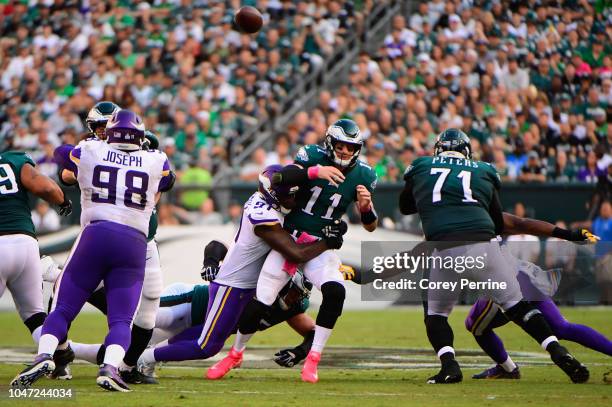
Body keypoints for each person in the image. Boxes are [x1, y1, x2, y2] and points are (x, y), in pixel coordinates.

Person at [399, 128, 589, 384]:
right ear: (467, 153)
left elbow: (405, 205)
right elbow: (499, 221)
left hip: (444, 248)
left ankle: (450, 366)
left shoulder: (422, 166)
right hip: (485, 246)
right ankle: (556, 349)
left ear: (437, 150)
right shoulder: (484, 170)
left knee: (435, 314)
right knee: (518, 308)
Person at [11, 109, 174, 392]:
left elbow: (62, 154)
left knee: (63, 307)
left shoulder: (90, 149)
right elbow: (168, 179)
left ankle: (45, 355)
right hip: (134, 243)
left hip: (95, 235)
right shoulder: (155, 159)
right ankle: (110, 368)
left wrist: (98, 143)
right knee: (122, 319)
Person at [136, 165, 347, 376]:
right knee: (200, 345)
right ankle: (138, 359)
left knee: (196, 344)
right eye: (290, 195)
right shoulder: (263, 214)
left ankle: (137, 360)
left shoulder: (288, 301)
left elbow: (312, 327)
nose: (295, 200)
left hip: (238, 291)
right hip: (225, 288)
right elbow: (295, 254)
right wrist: (329, 241)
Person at [215, 119, 378, 383]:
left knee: (335, 291)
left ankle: (313, 357)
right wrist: (315, 172)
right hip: (289, 237)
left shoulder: (365, 175)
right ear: (330, 143)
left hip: (320, 243)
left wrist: (365, 209)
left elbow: (371, 225)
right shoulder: (311, 155)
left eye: (350, 146)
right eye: (340, 145)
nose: (345, 151)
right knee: (263, 299)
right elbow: (282, 177)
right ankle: (235, 353)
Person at [467, 213, 611, 379]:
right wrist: (569, 234)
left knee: (475, 325)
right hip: (523, 277)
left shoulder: (455, 219)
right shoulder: (483, 212)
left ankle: (508, 368)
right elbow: (523, 223)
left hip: (501, 282)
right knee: (562, 327)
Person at [0, 149, 71, 358]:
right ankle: (59, 356)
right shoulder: (14, 160)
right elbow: (46, 187)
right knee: (35, 315)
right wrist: (63, 201)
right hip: (26, 243)